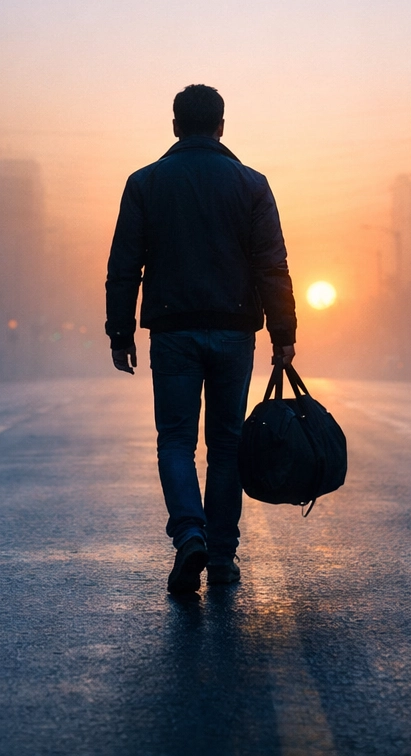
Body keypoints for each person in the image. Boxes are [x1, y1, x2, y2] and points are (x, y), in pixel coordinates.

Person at [105, 84, 297, 595]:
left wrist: (120, 331)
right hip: (235, 330)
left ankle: (189, 532)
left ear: (174, 126)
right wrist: (284, 333)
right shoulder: (252, 184)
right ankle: (221, 555)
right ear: (221, 126)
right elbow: (271, 265)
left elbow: (125, 266)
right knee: (226, 444)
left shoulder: (144, 183)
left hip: (172, 330)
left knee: (175, 441)